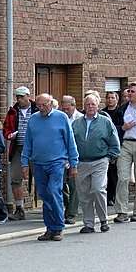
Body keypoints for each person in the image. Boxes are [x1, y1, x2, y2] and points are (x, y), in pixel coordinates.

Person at [22, 94, 79, 241]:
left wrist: (73, 163)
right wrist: (24, 163)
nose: (41, 108)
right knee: (44, 195)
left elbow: (70, 141)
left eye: (44, 105)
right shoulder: (33, 119)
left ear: (51, 103)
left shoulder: (61, 117)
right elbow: (28, 142)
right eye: (38, 106)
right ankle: (50, 228)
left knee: (54, 191)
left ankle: (58, 227)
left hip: (57, 162)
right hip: (38, 163)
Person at [72, 94, 120, 233]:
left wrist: (110, 157)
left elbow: (114, 142)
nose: (90, 107)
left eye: (93, 104)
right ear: (84, 107)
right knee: (84, 194)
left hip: (100, 160)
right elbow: (71, 143)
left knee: (98, 189)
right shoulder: (76, 123)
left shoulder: (105, 122)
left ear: (97, 106)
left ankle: (104, 220)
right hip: (81, 162)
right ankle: (88, 224)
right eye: (88, 104)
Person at [3, 86, 38, 220]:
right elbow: (6, 128)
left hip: (35, 148)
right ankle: (19, 208)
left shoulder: (36, 109)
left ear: (28, 96)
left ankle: (47, 206)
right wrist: (9, 135)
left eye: (22, 97)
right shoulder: (13, 111)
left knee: (40, 176)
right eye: (17, 97)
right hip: (18, 147)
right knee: (15, 178)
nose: (19, 99)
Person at [114, 82, 136, 223]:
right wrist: (123, 127)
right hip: (126, 144)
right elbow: (115, 127)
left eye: (132, 91)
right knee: (123, 177)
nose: (129, 93)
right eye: (129, 91)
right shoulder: (123, 109)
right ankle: (122, 212)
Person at [60, 96, 83, 224]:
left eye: (67, 107)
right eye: (63, 107)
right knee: (60, 185)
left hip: (76, 157)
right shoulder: (60, 118)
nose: (64, 109)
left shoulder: (80, 119)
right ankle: (67, 207)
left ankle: (71, 213)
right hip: (62, 157)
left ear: (73, 106)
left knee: (74, 186)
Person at [102, 91, 124, 205]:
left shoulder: (120, 112)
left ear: (117, 100)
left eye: (112, 98)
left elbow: (123, 127)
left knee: (114, 173)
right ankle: (106, 196)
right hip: (104, 145)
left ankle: (113, 196)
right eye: (108, 98)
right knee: (105, 173)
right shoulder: (103, 113)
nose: (110, 100)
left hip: (117, 144)